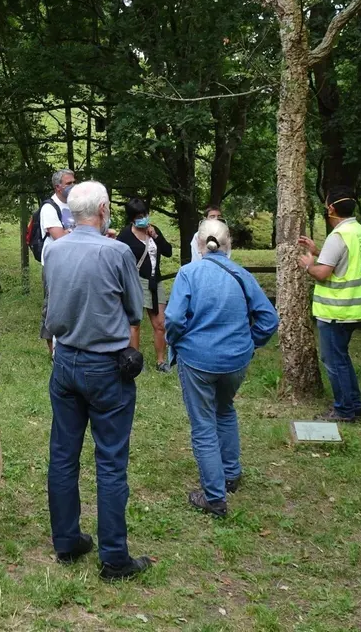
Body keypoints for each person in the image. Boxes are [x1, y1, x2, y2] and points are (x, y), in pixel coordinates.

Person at [44, 180, 153, 581]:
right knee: (110, 461)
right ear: (104, 208)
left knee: (63, 454)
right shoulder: (118, 251)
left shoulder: (53, 250)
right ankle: (113, 557)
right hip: (106, 366)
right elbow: (134, 309)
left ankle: (67, 540)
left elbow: (51, 302)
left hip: (66, 360)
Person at [166, 219, 279, 517]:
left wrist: (175, 342)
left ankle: (214, 498)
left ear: (199, 244)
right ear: (229, 243)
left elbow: (175, 319)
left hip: (197, 360)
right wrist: (249, 344)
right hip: (235, 361)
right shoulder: (242, 275)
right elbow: (269, 319)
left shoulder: (188, 273)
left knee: (203, 424)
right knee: (225, 409)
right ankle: (231, 474)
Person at [299, 186, 361, 423]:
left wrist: (309, 263)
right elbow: (345, 261)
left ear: (331, 208)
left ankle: (343, 410)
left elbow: (323, 272)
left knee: (334, 362)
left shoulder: (338, 236)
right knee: (342, 358)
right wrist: (319, 250)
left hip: (335, 310)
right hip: (355, 307)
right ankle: (355, 406)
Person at [117, 199, 174, 372]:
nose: (144, 219)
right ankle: (135, 361)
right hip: (135, 281)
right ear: (132, 219)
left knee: (160, 323)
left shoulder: (154, 230)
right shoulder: (125, 235)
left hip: (155, 281)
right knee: (134, 323)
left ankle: (161, 361)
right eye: (140, 216)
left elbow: (168, 251)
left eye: (146, 215)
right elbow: (118, 258)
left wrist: (155, 236)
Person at [40, 169, 76, 355]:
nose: (72, 186)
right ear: (58, 186)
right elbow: (59, 236)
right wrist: (75, 234)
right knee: (52, 304)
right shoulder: (49, 207)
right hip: (54, 264)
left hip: (74, 262)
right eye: (68, 183)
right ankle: (52, 351)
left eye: (73, 182)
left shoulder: (75, 205)